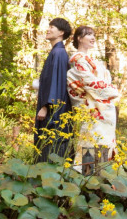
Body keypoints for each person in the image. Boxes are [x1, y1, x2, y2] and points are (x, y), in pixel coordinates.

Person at [67, 25, 120, 164]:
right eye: (88, 34)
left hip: (100, 105)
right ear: (79, 38)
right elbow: (88, 81)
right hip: (89, 106)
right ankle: (87, 174)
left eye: (93, 35)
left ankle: (101, 174)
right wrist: (111, 90)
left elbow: (100, 79)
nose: (93, 38)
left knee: (103, 138)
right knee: (89, 139)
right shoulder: (78, 59)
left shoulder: (90, 59)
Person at [34, 18, 73, 163]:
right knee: (46, 144)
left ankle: (46, 179)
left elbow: (58, 83)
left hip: (54, 111)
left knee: (50, 145)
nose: (48, 29)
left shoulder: (59, 53)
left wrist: (46, 106)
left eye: (52, 27)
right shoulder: (56, 52)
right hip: (51, 107)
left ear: (61, 32)